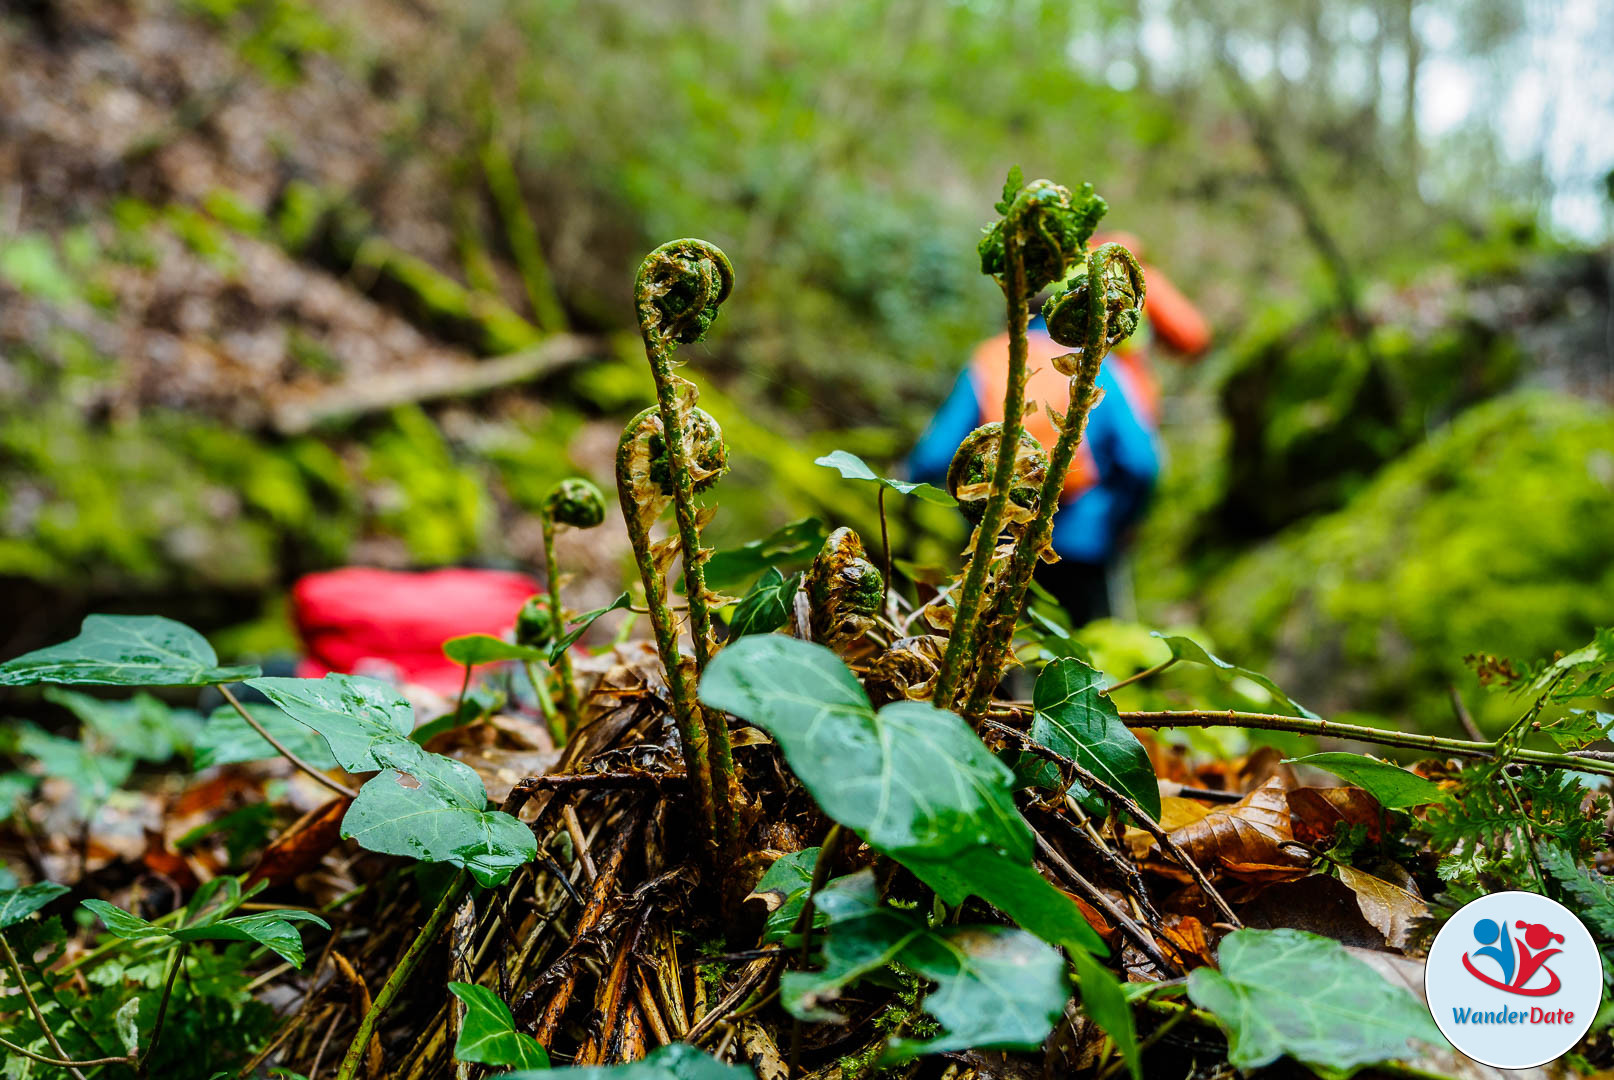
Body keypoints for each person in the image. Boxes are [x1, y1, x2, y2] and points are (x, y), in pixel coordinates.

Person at [908, 232, 1210, 625]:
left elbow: (934, 454)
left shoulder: (990, 358)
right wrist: (1123, 524)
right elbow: (1140, 462)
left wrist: (916, 506)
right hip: (1086, 540)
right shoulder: (1098, 364)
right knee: (1090, 653)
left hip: (1002, 539)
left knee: (997, 655)